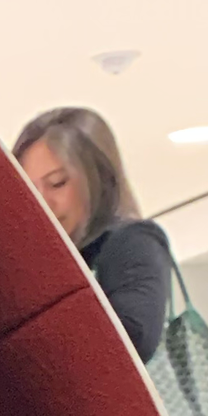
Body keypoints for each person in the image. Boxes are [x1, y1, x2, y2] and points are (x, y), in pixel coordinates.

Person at [13, 107, 171, 360]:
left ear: (96, 179)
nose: (41, 202)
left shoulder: (131, 241)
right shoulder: (31, 263)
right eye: (29, 190)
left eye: (57, 183)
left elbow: (133, 337)